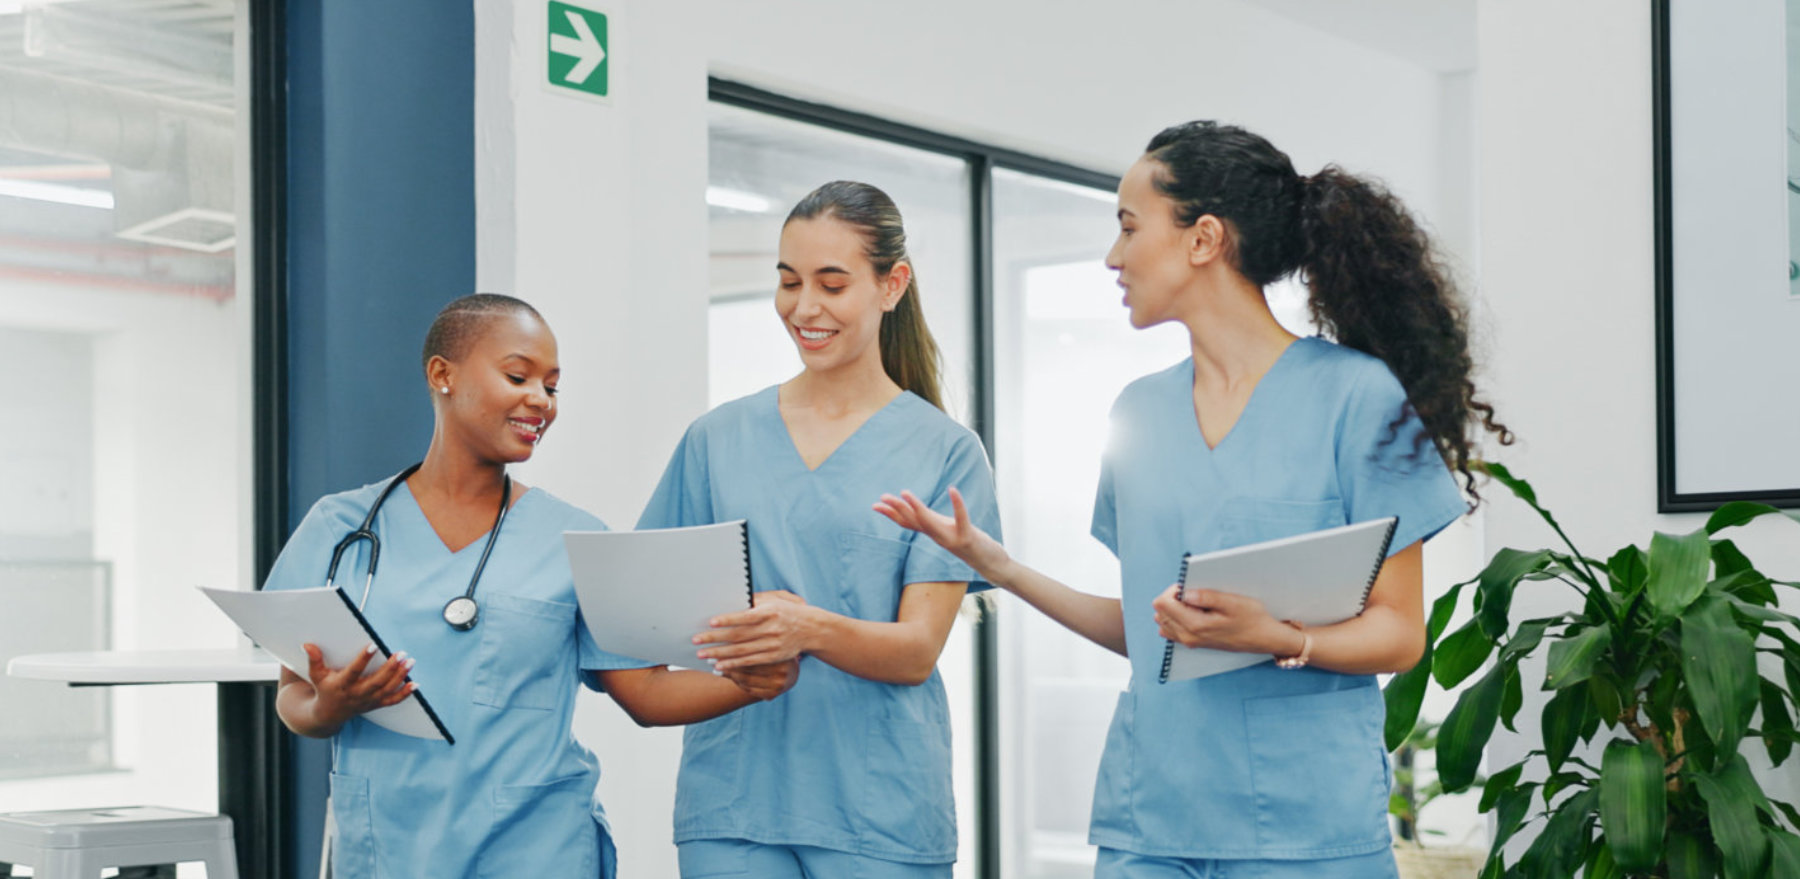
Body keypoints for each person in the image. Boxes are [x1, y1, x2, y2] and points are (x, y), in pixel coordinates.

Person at [876, 121, 1512, 879]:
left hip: (1304, 829)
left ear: (1204, 237)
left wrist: (1277, 635)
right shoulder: (1138, 412)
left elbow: (1402, 633)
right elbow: (1153, 634)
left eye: (1128, 226)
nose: (1114, 255)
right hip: (1152, 822)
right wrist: (999, 566)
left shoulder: (1356, 397)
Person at [265, 294, 798, 879]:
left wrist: (753, 682)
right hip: (390, 847)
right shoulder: (339, 527)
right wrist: (328, 707)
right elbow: (293, 697)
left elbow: (645, 696)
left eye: (552, 386)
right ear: (442, 374)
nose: (540, 401)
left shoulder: (573, 538)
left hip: (536, 850)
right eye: (518, 376)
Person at [635, 181, 1002, 878]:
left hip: (879, 807)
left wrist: (808, 628)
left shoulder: (945, 451)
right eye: (788, 282)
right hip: (734, 802)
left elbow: (917, 650)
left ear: (892, 285)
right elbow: (646, 619)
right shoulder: (716, 439)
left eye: (832, 284)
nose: (804, 307)